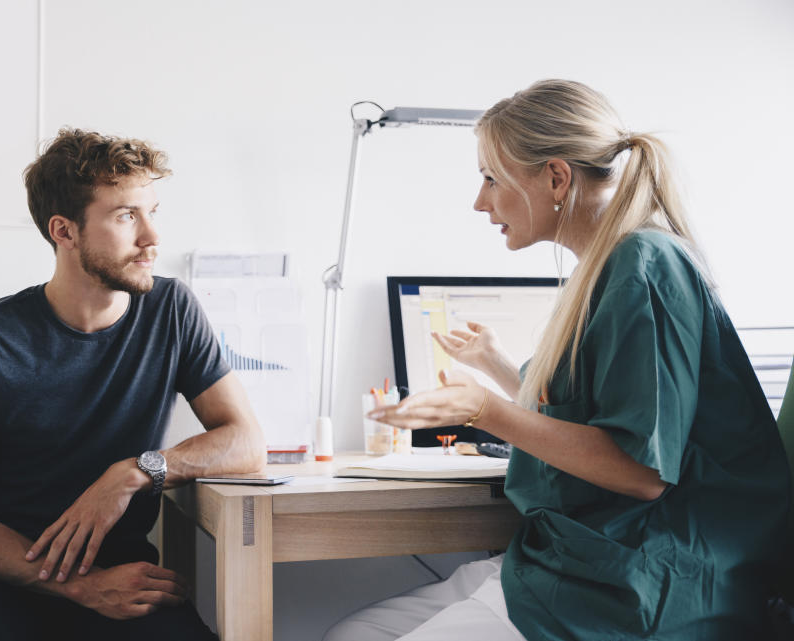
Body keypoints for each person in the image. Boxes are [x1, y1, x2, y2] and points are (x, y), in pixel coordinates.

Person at [324, 80, 791, 640]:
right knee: (354, 633)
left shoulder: (643, 264)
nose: (480, 201)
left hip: (647, 579)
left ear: (556, 177)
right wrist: (498, 366)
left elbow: (639, 471)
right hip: (581, 560)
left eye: (491, 178)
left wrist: (485, 411)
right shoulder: (606, 267)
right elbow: (597, 407)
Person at [0, 129, 266, 641]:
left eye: (152, 212)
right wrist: (82, 586)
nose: (152, 237)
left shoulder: (171, 309)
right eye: (127, 215)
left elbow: (247, 443)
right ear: (65, 231)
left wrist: (133, 473)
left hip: (122, 576)